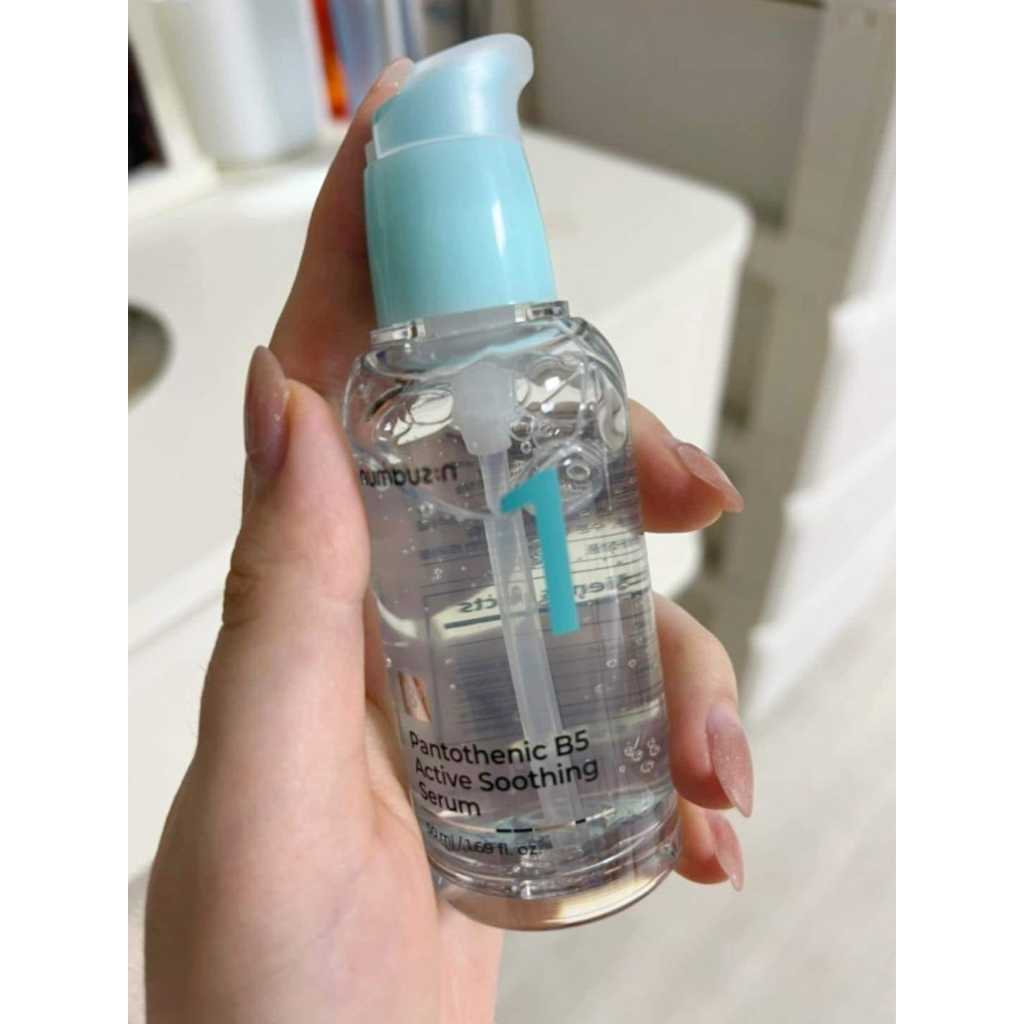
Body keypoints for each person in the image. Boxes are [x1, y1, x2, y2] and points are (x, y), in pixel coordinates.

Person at [144, 59, 754, 1024]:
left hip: (585, 825)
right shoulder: (381, 403)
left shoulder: (570, 369)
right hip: (462, 846)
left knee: (588, 613)